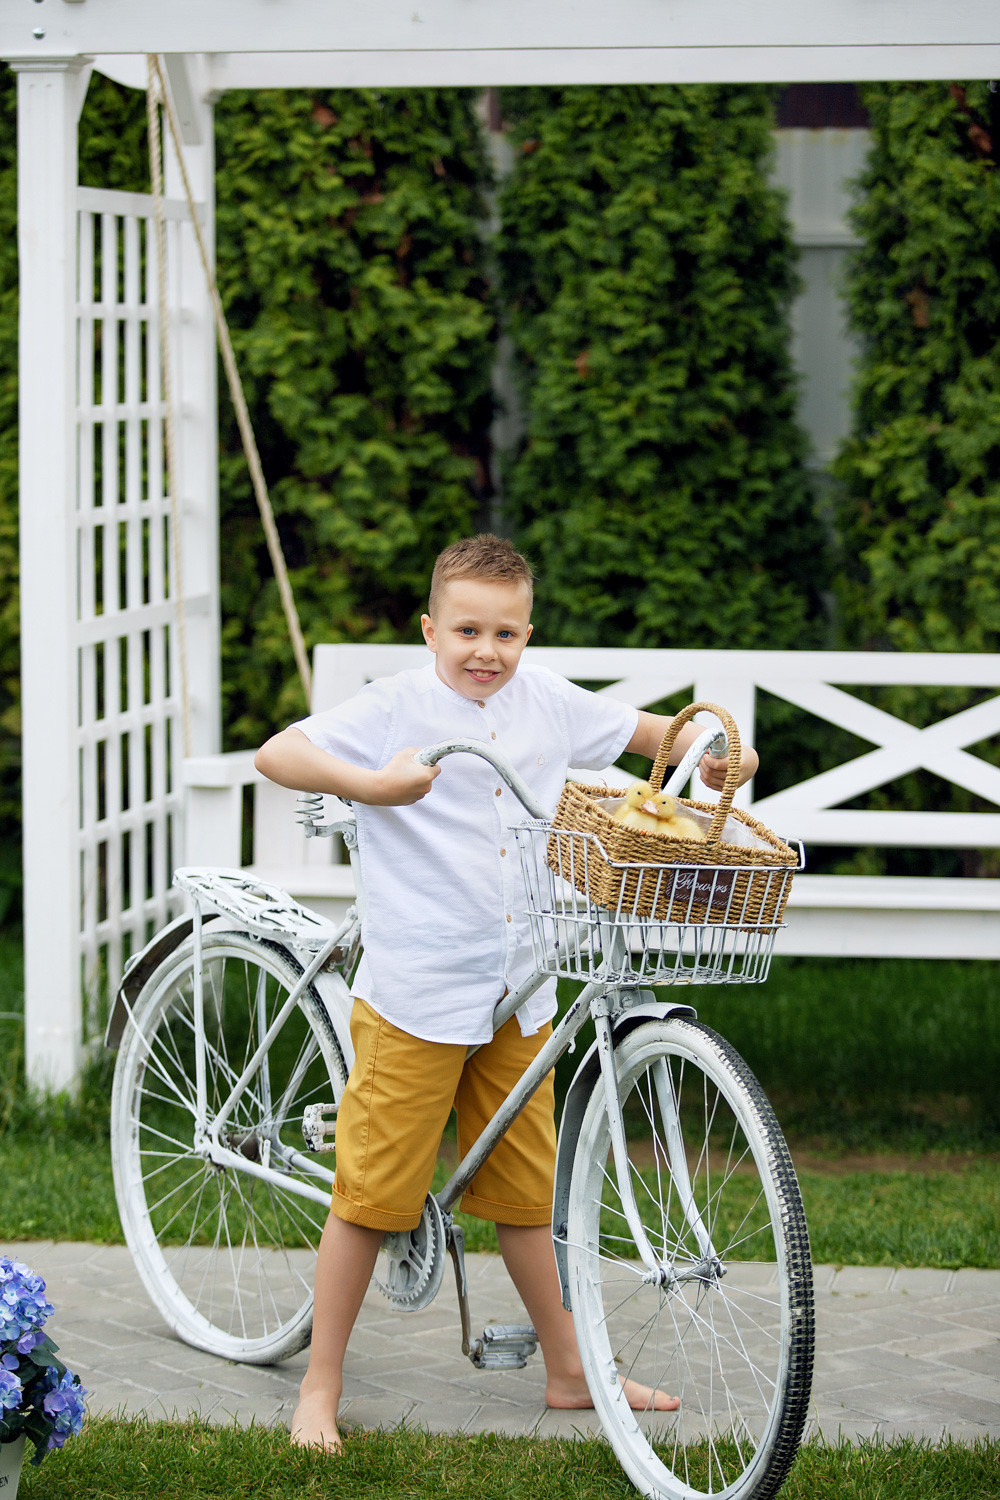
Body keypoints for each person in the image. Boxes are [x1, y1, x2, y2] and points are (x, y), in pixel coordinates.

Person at [254, 534, 759, 1451]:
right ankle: (318, 1386)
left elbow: (652, 736)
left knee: (528, 1197)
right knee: (372, 1197)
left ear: (529, 632)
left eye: (507, 632)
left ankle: (570, 1370)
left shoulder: (546, 701)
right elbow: (277, 754)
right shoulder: (395, 706)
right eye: (467, 630)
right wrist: (374, 785)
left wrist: (714, 755)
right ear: (431, 628)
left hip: (522, 986)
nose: (487, 650)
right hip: (417, 988)